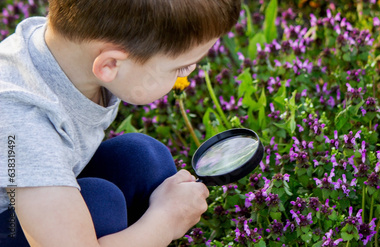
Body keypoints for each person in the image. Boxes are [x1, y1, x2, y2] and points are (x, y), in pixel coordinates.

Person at [0, 0, 240, 246]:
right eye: (180, 68)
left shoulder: (71, 50)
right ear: (110, 65)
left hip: (25, 202)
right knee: (102, 202)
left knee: (143, 157)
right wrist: (165, 222)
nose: (190, 72)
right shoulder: (24, 123)